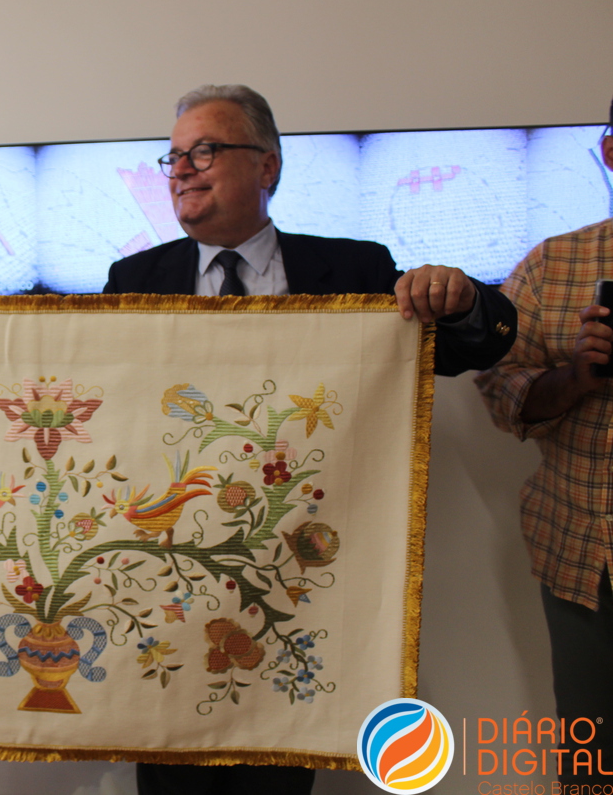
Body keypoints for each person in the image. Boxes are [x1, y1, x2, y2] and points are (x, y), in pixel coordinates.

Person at [104, 84, 518, 795]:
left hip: (304, 570)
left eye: (205, 150)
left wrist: (464, 298)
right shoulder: (133, 278)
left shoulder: (354, 268)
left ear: (267, 165)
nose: (181, 170)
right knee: (171, 753)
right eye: (173, 156)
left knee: (280, 762)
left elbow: (472, 346)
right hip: (176, 572)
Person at [474, 102, 613, 789]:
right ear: (610, 152)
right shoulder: (555, 263)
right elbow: (499, 387)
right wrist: (577, 377)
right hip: (586, 553)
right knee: (592, 762)